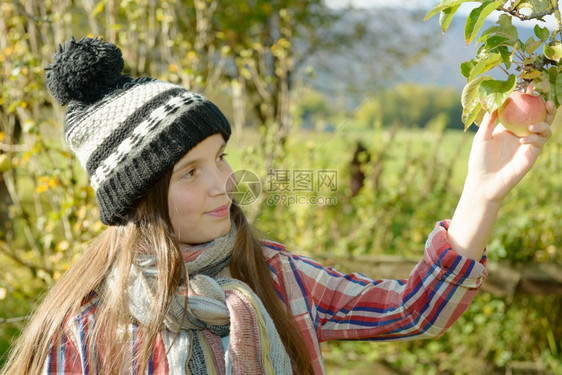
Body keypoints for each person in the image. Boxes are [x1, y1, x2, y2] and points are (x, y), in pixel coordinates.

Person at [0, 37, 554, 375]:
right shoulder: (86, 328)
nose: (223, 184)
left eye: (220, 158)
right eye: (191, 172)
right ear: (138, 201)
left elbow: (413, 311)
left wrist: (481, 193)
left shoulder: (276, 276)